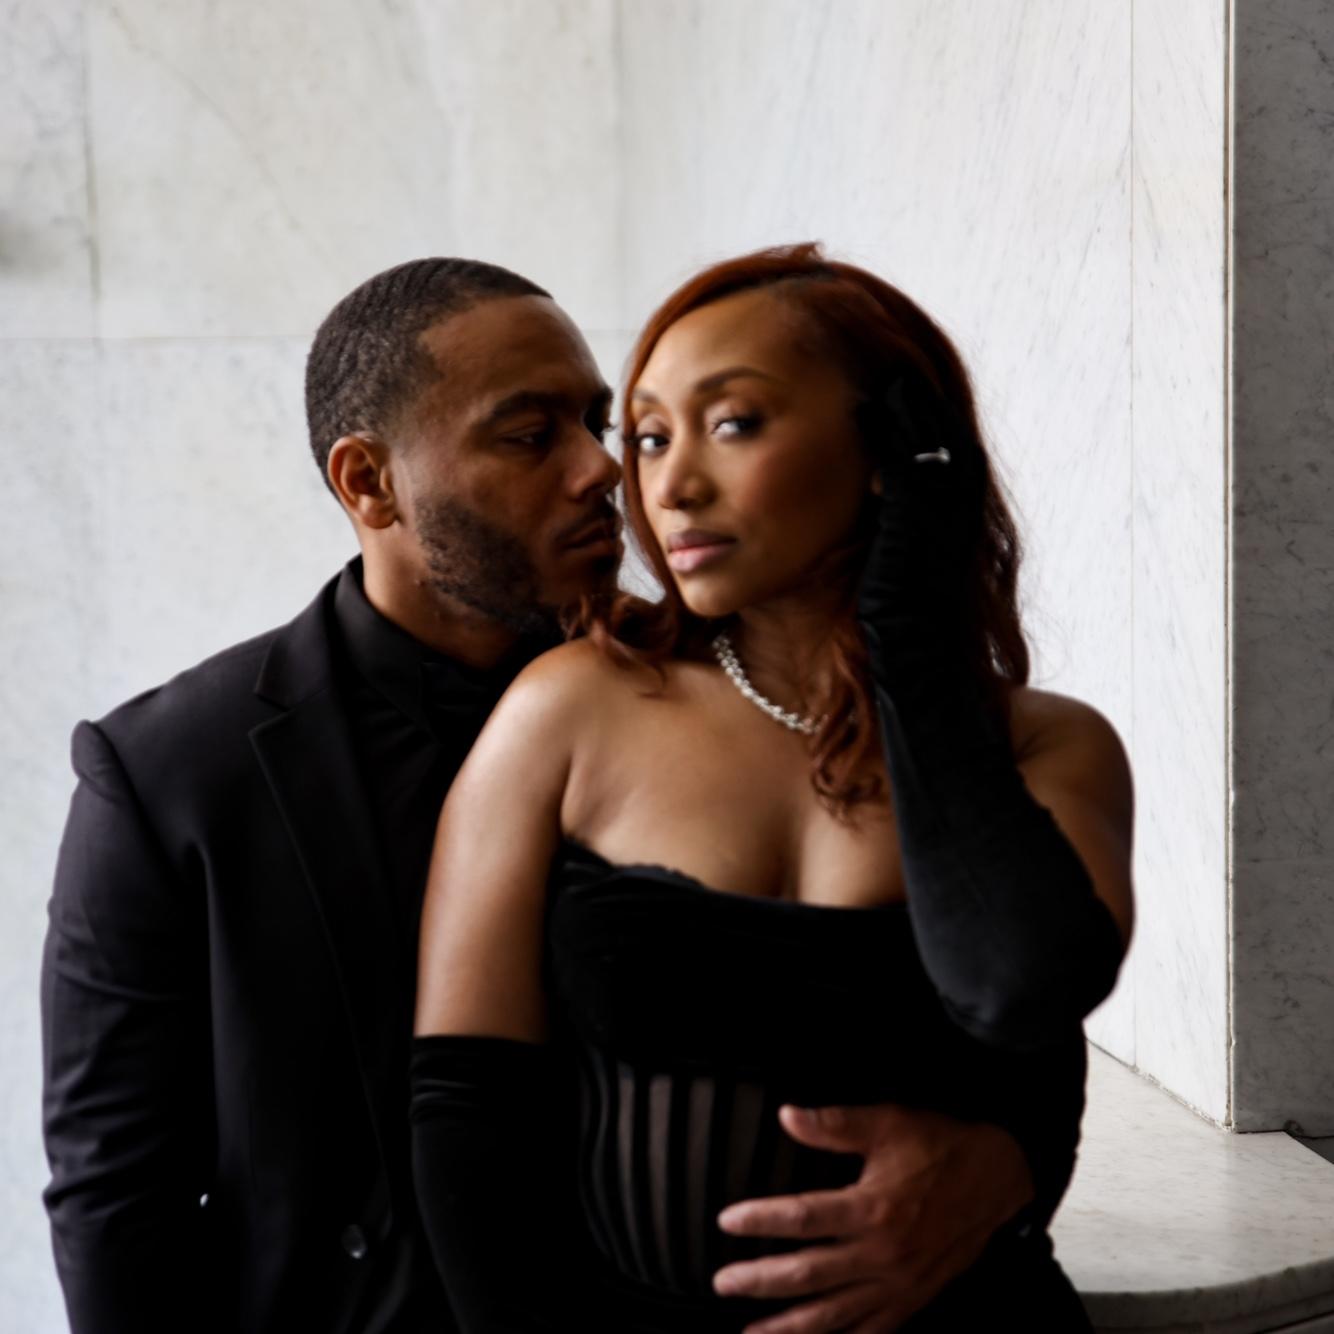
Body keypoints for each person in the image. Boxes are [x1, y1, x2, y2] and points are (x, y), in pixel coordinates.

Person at [42, 255, 1048, 1334]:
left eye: (598, 423)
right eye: (530, 435)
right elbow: (116, 1197)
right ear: (368, 482)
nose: (601, 469)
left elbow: (986, 975)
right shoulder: (168, 772)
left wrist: (1007, 1160)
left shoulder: (728, 687)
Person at [411, 245, 1135, 1331]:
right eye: (649, 436)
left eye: (732, 422)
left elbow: (1021, 988)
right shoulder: (572, 708)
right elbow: (465, 1105)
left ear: (893, 447)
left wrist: (908, 635)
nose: (670, 485)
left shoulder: (1048, 748)